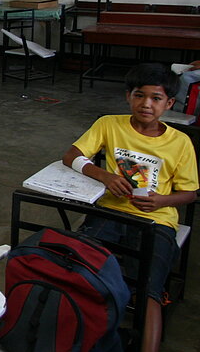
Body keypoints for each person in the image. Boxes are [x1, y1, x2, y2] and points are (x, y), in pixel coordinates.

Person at [62, 63, 198, 352]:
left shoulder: (181, 143)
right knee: (81, 268)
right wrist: (104, 175)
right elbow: (72, 155)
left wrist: (160, 200)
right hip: (110, 211)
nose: (146, 104)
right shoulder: (109, 124)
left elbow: (189, 194)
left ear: (169, 103)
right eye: (139, 95)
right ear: (128, 97)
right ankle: (76, 337)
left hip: (156, 221)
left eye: (156, 98)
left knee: (148, 288)